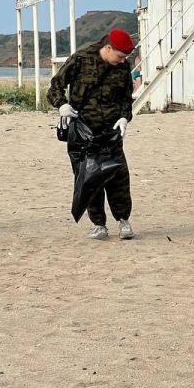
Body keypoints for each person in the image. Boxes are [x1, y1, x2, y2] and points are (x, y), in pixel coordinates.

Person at [49, 28, 136, 240]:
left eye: (126, 57)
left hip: (110, 131)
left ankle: (123, 220)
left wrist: (125, 117)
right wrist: (61, 106)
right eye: (120, 56)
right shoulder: (80, 59)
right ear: (108, 48)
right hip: (82, 132)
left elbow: (126, 98)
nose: (123, 60)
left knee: (118, 175)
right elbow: (55, 87)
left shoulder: (122, 67)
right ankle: (99, 225)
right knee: (88, 178)